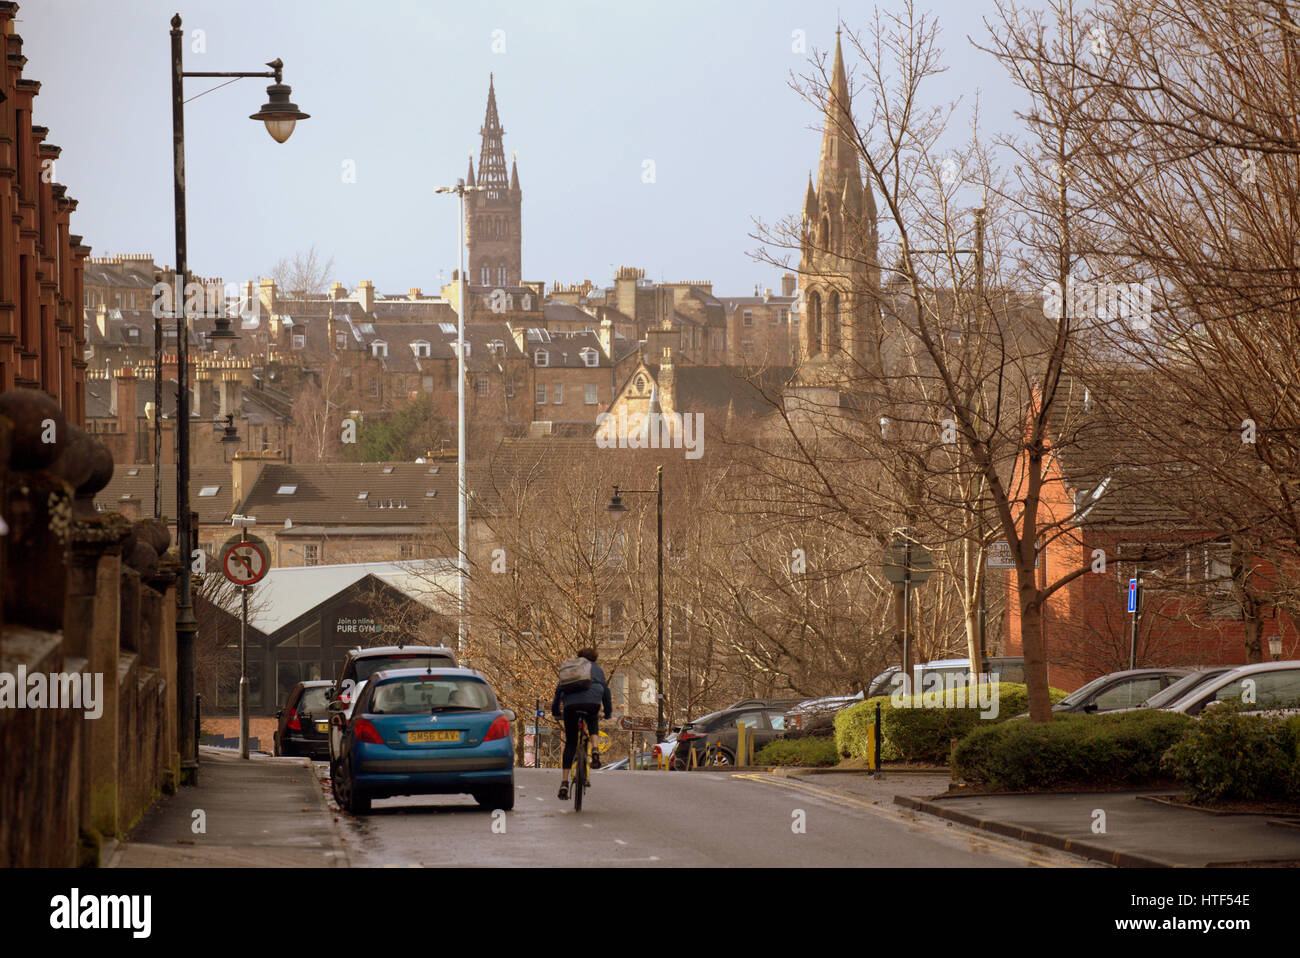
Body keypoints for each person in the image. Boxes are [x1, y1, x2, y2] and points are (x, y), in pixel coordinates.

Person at [551, 648, 612, 800]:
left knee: (571, 743)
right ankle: (596, 749)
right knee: (592, 719)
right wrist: (608, 712)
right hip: (592, 703)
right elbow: (606, 692)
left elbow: (558, 691)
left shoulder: (572, 668)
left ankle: (564, 782)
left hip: (570, 706)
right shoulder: (597, 669)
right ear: (594, 658)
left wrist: (556, 712)